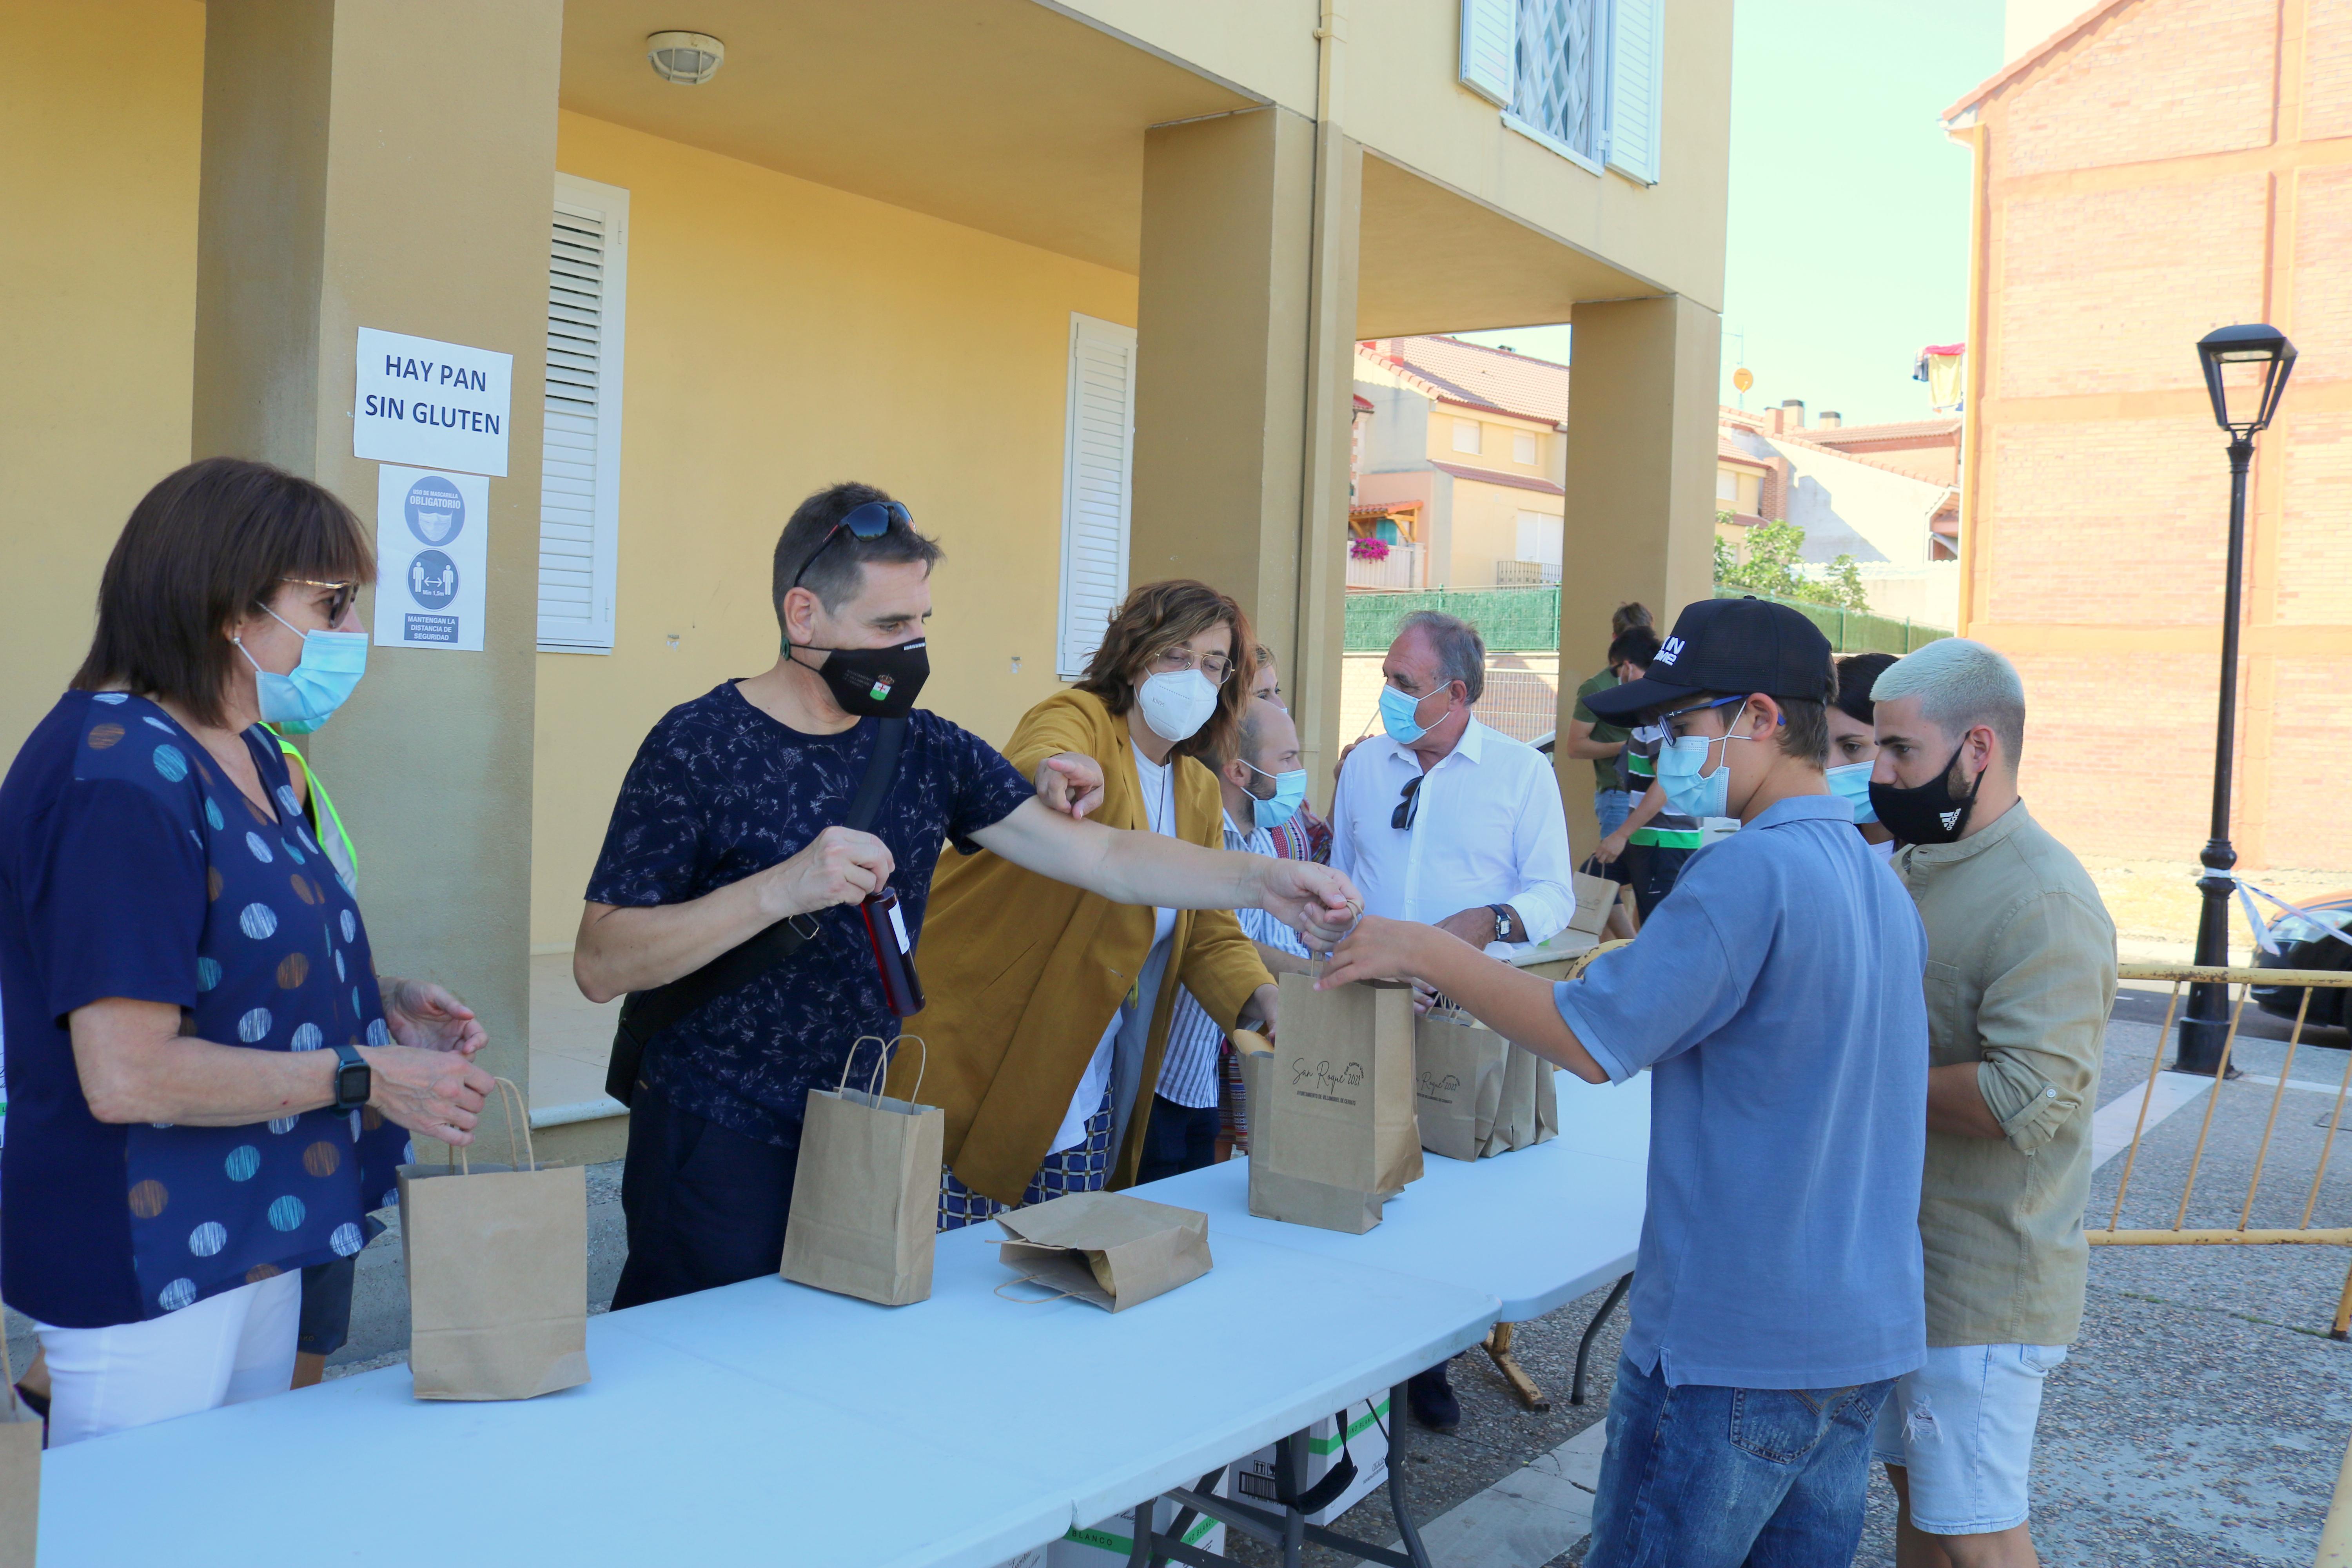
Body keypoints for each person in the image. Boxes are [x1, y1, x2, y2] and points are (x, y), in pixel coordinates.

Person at [575, 489, 1356, 1308]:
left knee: (837, 1364)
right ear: (801, 614)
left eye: (921, 623)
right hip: (717, 1131)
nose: (910, 648)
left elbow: (1109, 857)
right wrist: (780, 888)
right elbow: (602, 959)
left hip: (867, 1127)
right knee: (706, 1373)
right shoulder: (699, 742)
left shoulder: (926, 746)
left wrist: (1262, 879)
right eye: (887, 627)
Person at [1320, 595, 1929, 1563]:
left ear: (1763, 718)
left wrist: (1425, 952)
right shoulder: (1876, 880)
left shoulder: (1750, 873)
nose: (1664, 752)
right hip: (1856, 1336)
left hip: (1730, 1346)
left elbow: (1586, 1037)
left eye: (1684, 726)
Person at [0, 458, 495, 1445]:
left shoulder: (253, 750)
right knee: (141, 1530)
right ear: (232, 606)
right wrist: (365, 1074)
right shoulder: (119, 773)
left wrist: (384, 1000)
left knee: (234, 1511)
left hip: (262, 1216)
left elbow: (229, 955)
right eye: (332, 603)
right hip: (148, 1245)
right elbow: (127, 1072)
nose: (355, 634)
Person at [906, 581, 1321, 1225]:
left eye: (1212, 665)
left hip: (1083, 1083)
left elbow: (1208, 930)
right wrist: (1055, 771)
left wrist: (1263, 998)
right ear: (1133, 656)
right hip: (977, 1056)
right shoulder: (1082, 719)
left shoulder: (1198, 791)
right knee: (948, 1278)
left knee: (1052, 1286)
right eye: (1175, 656)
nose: (1193, 677)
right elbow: (1040, 751)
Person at [1867, 639, 2116, 1568]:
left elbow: (2023, 1097)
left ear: (1978, 747)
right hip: (1909, 1266)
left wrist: (1850, 1076)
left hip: (1982, 1285)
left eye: (1899, 751)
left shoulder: (2044, 899)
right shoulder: (1919, 862)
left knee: (1978, 1534)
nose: (1880, 774)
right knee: (1925, 1508)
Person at [1326, 609, 1576, 1432]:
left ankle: (1433, 1356)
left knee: (1449, 1196)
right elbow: (1341, 873)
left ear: (1456, 692)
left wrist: (1489, 922)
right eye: (1387, 678)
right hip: (1367, 997)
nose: (1388, 694)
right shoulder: (1365, 766)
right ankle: (1357, 1352)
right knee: (1362, 1171)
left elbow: (1554, 896)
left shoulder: (1517, 774)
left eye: (1405, 683)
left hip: (1466, 1016)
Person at [1141, 696, 1314, 1185]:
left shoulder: (1258, 841)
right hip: (1158, 1081)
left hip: (1199, 1080)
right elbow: (1225, 941)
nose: (1300, 771)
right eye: (1289, 759)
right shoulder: (1199, 842)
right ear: (1239, 773)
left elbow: (1276, 943)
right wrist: (1319, 979)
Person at [1572, 626, 1661, 897]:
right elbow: (1575, 746)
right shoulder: (1602, 691)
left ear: (1628, 666)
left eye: (1616, 671)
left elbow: (1666, 782)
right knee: (1595, 881)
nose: (1616, 679)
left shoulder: (1656, 712)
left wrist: (1622, 834)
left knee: (1598, 886)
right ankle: (1631, 941)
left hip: (1659, 831)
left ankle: (1631, 941)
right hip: (1634, 812)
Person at [1565, 606, 1654, 844]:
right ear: (1616, 640)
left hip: (1655, 794)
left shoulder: (1658, 683)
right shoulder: (1596, 688)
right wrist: (1629, 747)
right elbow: (1575, 747)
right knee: (1615, 875)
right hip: (1619, 794)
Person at [1248, 646, 1331, 864]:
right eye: (1262, 695)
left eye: (1277, 691)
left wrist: (1345, 785)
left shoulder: (1285, 782)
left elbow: (1319, 856)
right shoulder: (1206, 788)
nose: (1281, 706)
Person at [1828, 651, 1898, 860]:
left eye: (1852, 747)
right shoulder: (1817, 845)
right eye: (1819, 748)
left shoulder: (1942, 853)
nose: (1829, 766)